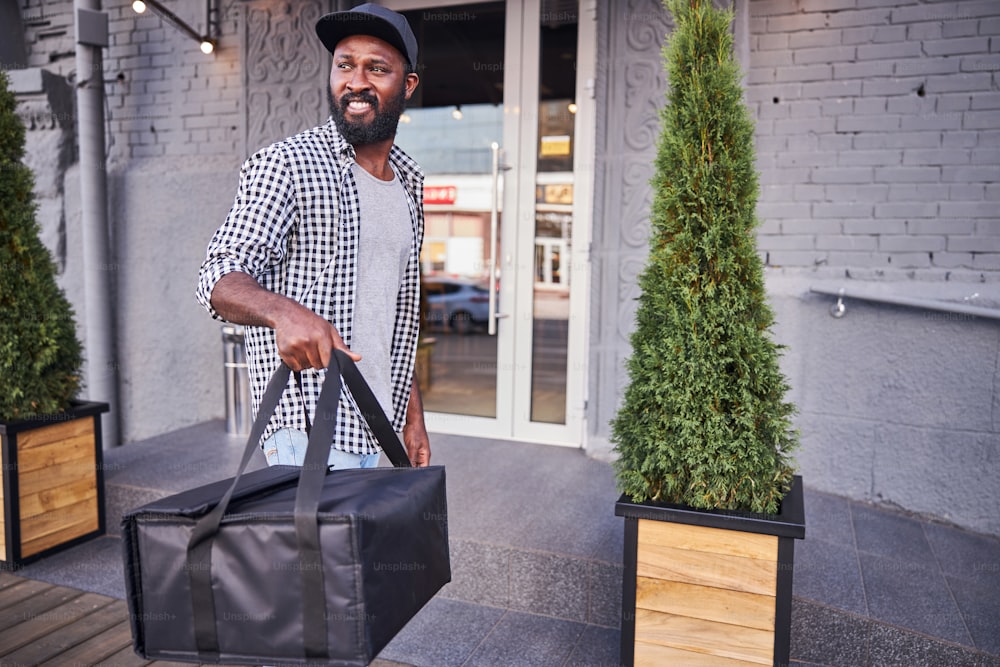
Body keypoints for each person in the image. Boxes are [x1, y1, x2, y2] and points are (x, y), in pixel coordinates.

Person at [196, 4, 430, 469]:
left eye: (377, 68)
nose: (356, 81)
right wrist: (284, 313)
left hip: (376, 419)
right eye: (345, 64)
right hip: (308, 429)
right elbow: (217, 275)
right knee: (313, 545)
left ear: (407, 85)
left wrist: (411, 414)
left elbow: (391, 314)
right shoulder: (287, 165)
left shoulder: (409, 181)